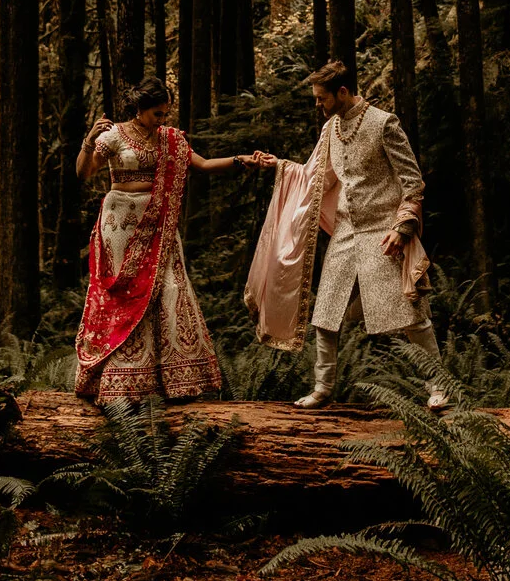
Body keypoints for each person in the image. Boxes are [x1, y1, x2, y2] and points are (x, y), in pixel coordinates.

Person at [245, 62, 448, 411]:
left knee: (411, 313)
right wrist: (277, 165)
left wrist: (403, 226)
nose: (318, 105)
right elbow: (315, 179)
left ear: (342, 92)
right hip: (344, 233)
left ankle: (439, 387)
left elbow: (412, 183)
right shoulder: (329, 130)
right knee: (326, 315)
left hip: (384, 233)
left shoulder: (384, 123)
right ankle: (323, 388)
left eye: (322, 99)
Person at [72, 78, 276, 404]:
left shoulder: (170, 140)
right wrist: (88, 140)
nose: (162, 120)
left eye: (165, 113)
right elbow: (84, 173)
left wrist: (243, 161)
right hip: (120, 228)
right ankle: (118, 385)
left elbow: (204, 165)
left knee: (168, 291)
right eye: (157, 114)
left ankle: (170, 382)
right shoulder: (113, 136)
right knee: (125, 298)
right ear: (139, 110)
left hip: (159, 228)